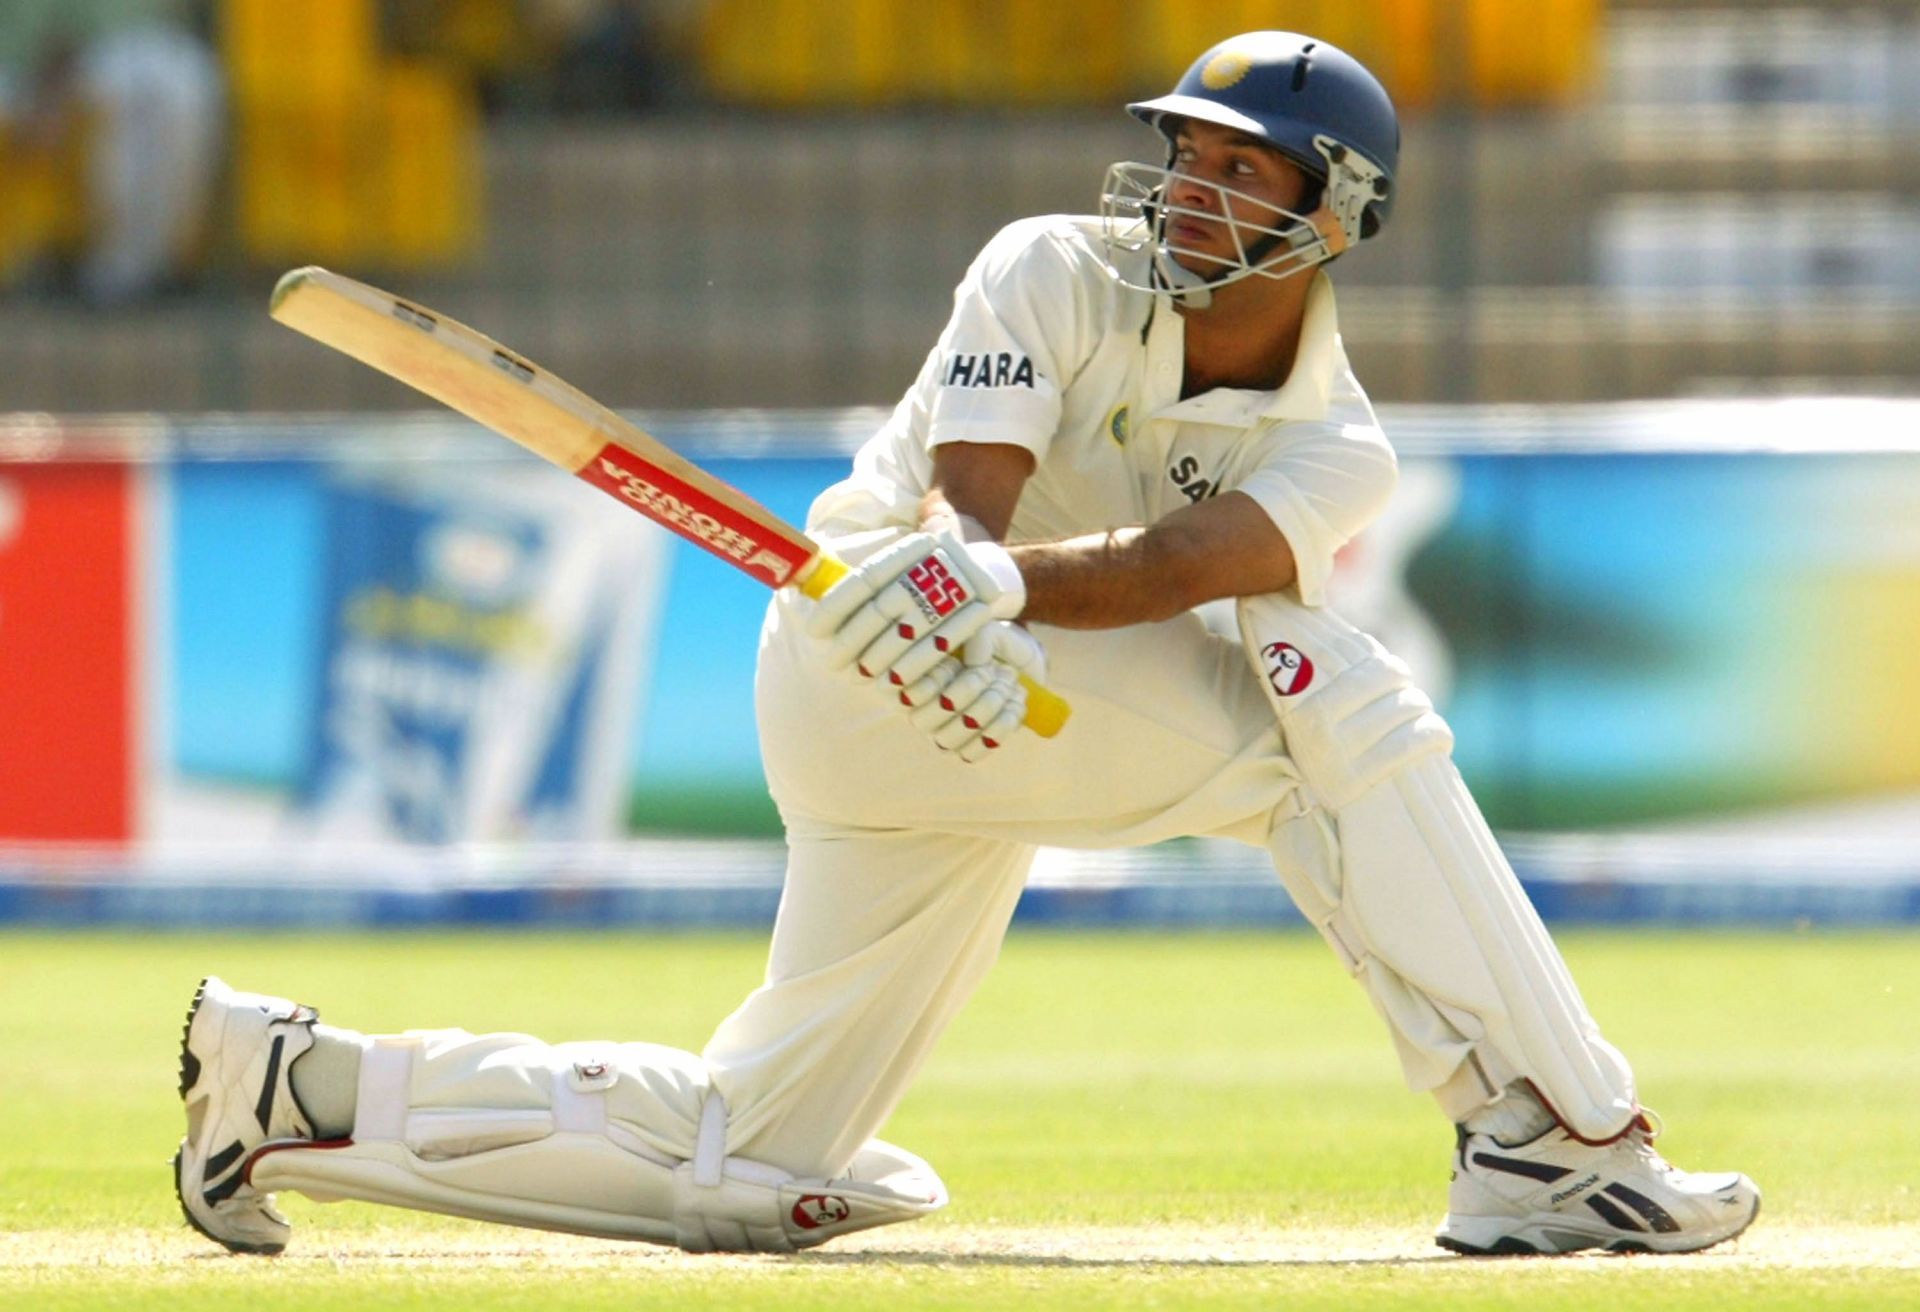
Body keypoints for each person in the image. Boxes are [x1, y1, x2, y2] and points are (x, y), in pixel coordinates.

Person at [173, 31, 1759, 1259]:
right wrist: (962, 578)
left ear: (1336, 212)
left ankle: (297, 1087)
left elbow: (1189, 562)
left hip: (1005, 694)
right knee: (1329, 710)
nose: (1193, 186)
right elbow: (967, 504)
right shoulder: (1051, 264)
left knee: (758, 1156)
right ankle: (1565, 1139)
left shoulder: (1341, 445)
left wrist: (997, 597)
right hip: (866, 660)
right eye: (1186, 152)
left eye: (1243, 169)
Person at [0, 0, 222, 305]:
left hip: (121, 46)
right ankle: (113, 271)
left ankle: (154, 265)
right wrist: (46, 92)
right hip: (25, 61)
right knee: (117, 88)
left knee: (190, 82)